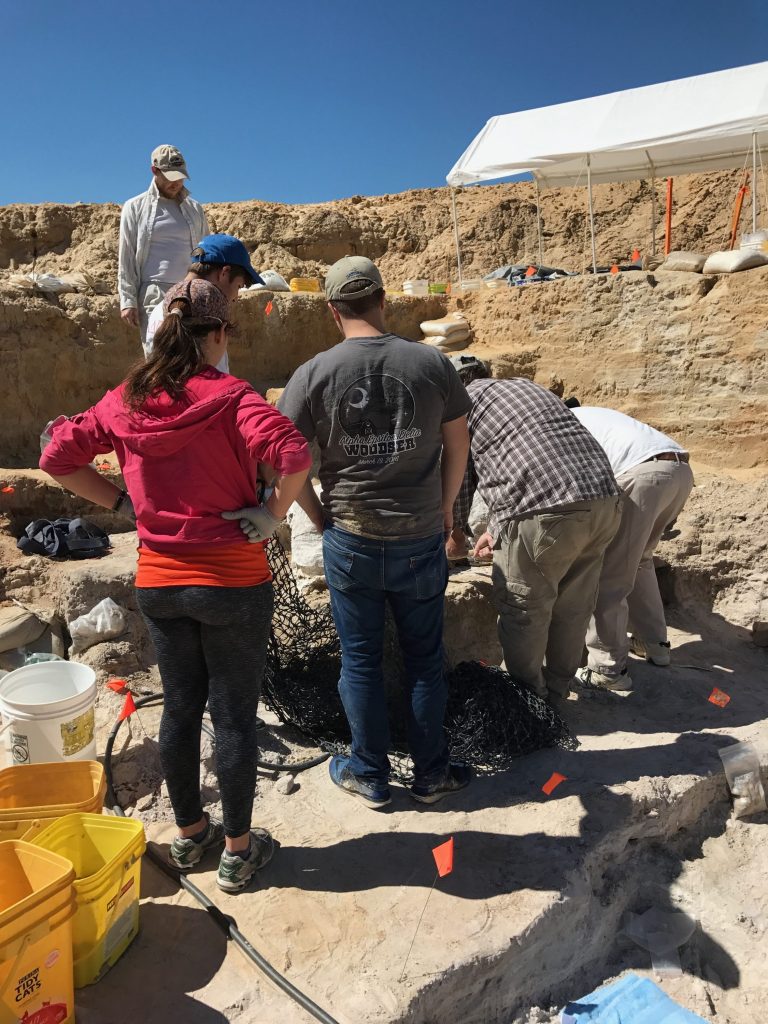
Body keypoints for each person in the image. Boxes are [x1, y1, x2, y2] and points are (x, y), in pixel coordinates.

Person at [40, 279, 311, 893]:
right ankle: (240, 851)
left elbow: (57, 456)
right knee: (236, 717)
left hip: (162, 580)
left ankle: (191, 837)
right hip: (232, 583)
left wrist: (122, 501)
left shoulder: (127, 398)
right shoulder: (231, 396)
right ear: (217, 334)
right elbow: (294, 454)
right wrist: (270, 516)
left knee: (182, 707)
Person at [235, 256, 472, 808]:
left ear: (331, 310)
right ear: (384, 300)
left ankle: (369, 773)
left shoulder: (314, 373)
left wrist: (316, 517)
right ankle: (431, 774)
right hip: (417, 537)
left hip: (352, 538)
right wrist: (443, 511)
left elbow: (278, 462)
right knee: (423, 658)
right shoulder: (433, 363)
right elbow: (458, 444)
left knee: (360, 661)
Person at [447, 356, 622, 701]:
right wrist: (498, 527)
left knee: (523, 610)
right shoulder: (524, 388)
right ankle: (556, 693)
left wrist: (455, 535)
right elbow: (532, 456)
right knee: (572, 608)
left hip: (546, 510)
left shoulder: (462, 404)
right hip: (605, 502)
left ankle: (527, 703)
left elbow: (460, 475)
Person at [570, 405, 694, 689]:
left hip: (642, 476)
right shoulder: (595, 415)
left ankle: (607, 670)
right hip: (679, 471)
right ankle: (654, 645)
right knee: (640, 560)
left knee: (607, 574)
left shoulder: (565, 424)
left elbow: (580, 485)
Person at [118, 145, 209, 345]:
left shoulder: (195, 210)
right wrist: (128, 301)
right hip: (154, 292)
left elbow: (205, 252)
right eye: (170, 176)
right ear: (155, 171)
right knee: (159, 355)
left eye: (180, 176)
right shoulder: (135, 208)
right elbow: (127, 256)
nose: (176, 182)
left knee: (193, 357)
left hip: (189, 291)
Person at [143, 234, 263, 371]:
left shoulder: (161, 309)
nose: (236, 297)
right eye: (239, 286)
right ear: (225, 272)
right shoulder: (210, 317)